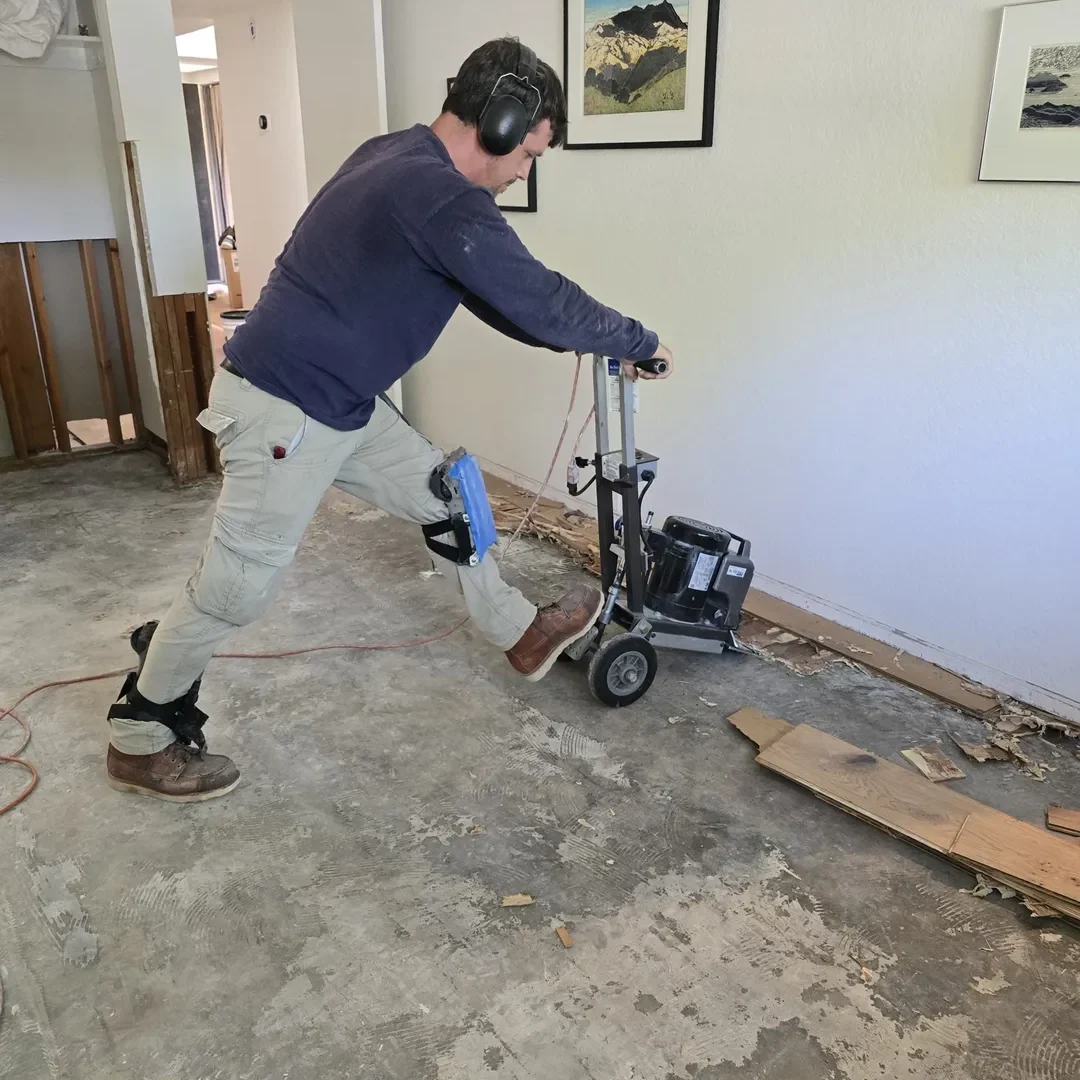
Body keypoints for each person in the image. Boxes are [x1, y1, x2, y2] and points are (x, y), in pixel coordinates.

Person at [105, 37, 673, 802]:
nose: (523, 172)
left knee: (449, 498)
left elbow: (507, 302)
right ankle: (141, 735)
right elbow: (538, 297)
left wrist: (587, 339)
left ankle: (520, 633)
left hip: (339, 402)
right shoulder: (435, 195)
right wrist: (638, 340)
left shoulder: (399, 157)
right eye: (529, 154)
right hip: (285, 410)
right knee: (234, 590)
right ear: (501, 124)